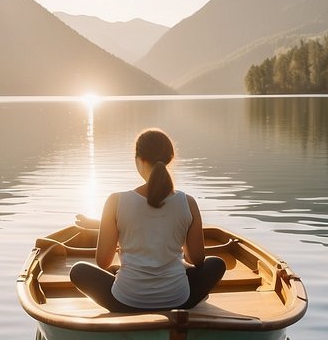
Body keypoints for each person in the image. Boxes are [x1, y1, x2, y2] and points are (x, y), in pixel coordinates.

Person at [70, 128, 225, 312]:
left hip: (126, 301)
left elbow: (103, 261)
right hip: (178, 299)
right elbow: (197, 260)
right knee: (216, 264)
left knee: (78, 270)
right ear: (169, 159)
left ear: (139, 160)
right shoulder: (188, 202)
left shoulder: (116, 201)